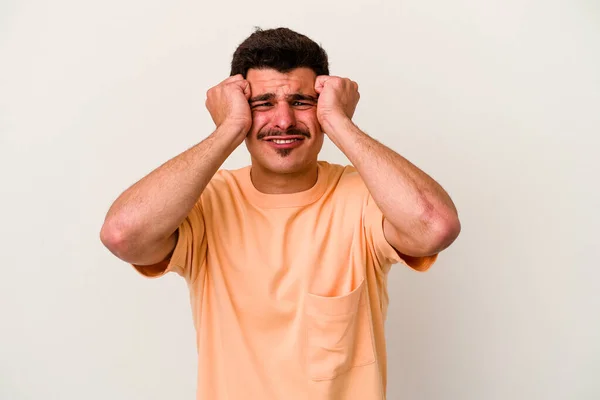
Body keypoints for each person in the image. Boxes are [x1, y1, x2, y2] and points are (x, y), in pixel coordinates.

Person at [100, 27, 461, 400]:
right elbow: (122, 234)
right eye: (263, 103)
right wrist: (229, 129)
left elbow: (435, 226)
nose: (284, 121)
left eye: (302, 102)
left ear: (323, 106)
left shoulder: (365, 198)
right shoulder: (206, 202)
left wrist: (340, 123)